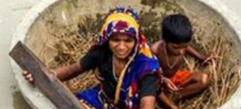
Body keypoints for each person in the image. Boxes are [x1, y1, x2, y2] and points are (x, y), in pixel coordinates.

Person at [24, 7, 160, 109]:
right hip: (103, 99)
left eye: (128, 41)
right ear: (107, 39)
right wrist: (41, 75)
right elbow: (73, 70)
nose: (121, 47)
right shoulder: (102, 53)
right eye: (116, 40)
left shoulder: (146, 67)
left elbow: (146, 105)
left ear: (136, 41)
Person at [152, 14, 213, 109]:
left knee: (204, 80)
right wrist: (163, 79)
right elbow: (148, 74)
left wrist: (201, 57)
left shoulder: (181, 45)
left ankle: (175, 97)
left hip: (174, 78)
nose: (181, 51)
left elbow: (186, 47)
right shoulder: (156, 50)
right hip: (157, 82)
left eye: (184, 47)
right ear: (165, 41)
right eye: (176, 47)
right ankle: (167, 102)